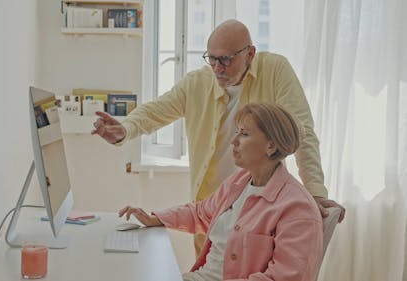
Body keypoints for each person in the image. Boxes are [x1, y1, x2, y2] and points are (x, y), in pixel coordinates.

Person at [92, 19, 345, 254]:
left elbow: (303, 132)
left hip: (260, 209)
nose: (217, 68)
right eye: (211, 59)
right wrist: (126, 129)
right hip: (214, 209)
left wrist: (315, 193)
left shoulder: (276, 70)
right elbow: (156, 111)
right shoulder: (197, 83)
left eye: (225, 60)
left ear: (250, 54)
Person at [119, 103, 323, 281]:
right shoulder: (240, 181)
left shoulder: (298, 208)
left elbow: (285, 278)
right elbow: (201, 213)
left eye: (244, 134)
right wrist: (156, 218)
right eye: (237, 131)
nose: (233, 141)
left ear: (271, 145)